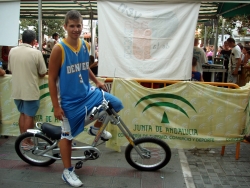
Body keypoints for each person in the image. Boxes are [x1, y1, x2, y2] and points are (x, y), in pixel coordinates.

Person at [48, 10, 123, 187]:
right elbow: (51, 78)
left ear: (82, 26)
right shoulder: (59, 49)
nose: (76, 29)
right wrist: (56, 106)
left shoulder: (84, 45)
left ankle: (94, 130)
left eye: (79, 25)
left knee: (115, 104)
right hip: (68, 101)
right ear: (65, 26)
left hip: (87, 93)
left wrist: (96, 80)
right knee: (67, 136)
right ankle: (68, 172)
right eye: (72, 26)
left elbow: (84, 67)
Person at [8, 30, 47, 141]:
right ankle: (26, 141)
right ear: (34, 41)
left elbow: (10, 70)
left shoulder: (12, 51)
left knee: (23, 114)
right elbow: (43, 72)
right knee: (29, 115)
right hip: (30, 90)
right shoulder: (36, 53)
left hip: (16, 90)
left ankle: (22, 140)